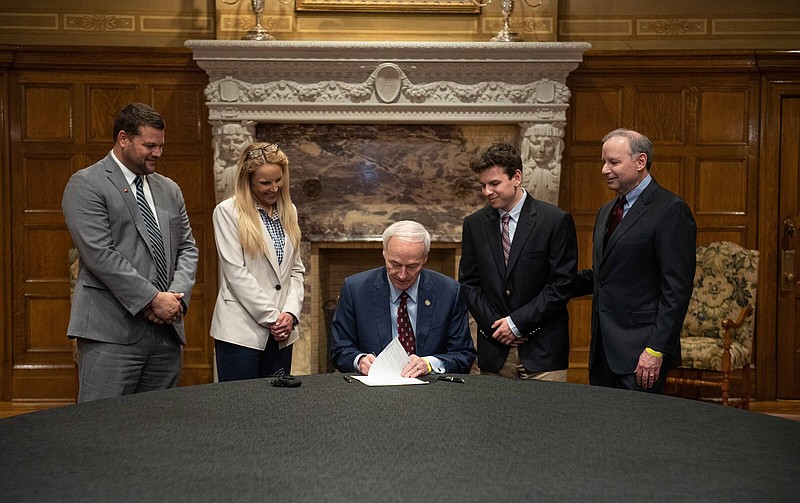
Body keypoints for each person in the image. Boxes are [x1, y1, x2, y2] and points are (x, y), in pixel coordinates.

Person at [62, 102, 199, 402]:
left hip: (166, 333)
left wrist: (175, 297)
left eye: (161, 146)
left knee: (155, 433)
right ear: (123, 138)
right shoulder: (86, 184)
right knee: (101, 431)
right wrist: (153, 298)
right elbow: (100, 254)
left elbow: (188, 248)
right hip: (111, 335)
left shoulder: (170, 189)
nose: (158, 153)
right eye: (149, 145)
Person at [574, 128, 697, 393]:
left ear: (640, 161)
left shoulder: (670, 210)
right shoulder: (608, 210)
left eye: (613, 162)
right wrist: (554, 281)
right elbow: (603, 276)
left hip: (642, 353)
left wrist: (656, 348)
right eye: (603, 162)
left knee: (639, 432)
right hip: (603, 352)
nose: (604, 170)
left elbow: (676, 290)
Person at [459, 143, 578, 381]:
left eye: (494, 184)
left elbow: (562, 284)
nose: (487, 192)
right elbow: (469, 284)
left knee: (544, 419)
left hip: (543, 351)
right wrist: (498, 327)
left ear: (516, 177)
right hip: (494, 352)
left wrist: (516, 323)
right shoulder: (474, 224)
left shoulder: (554, 221)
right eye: (483, 185)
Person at [331, 220, 475, 377]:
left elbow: (463, 355)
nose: (402, 274)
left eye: (412, 266)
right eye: (395, 264)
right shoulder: (356, 289)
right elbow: (340, 350)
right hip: (373, 390)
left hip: (430, 390)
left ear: (425, 258)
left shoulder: (449, 292)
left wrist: (429, 364)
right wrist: (359, 361)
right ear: (384, 253)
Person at [210, 142, 305, 381]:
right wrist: (274, 318)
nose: (274, 188)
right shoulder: (227, 211)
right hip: (241, 331)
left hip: (282, 333)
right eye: (265, 183)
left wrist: (290, 314)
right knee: (241, 409)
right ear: (248, 180)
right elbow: (235, 274)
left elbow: (296, 270)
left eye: (278, 180)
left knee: (275, 408)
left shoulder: (289, 211)